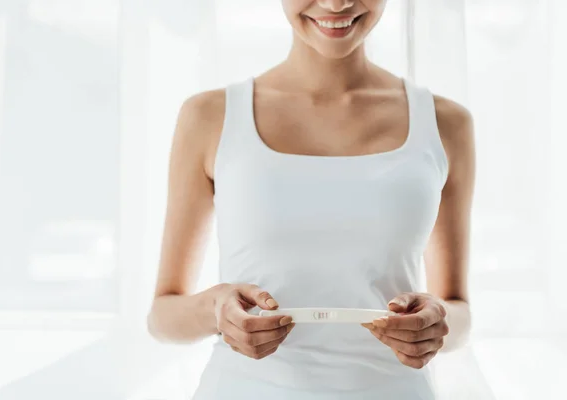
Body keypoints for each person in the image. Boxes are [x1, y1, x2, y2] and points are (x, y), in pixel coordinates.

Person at [147, 0, 474, 399]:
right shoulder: (209, 116)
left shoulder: (446, 123)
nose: (337, 3)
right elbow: (163, 317)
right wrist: (215, 308)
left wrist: (437, 323)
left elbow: (458, 311)